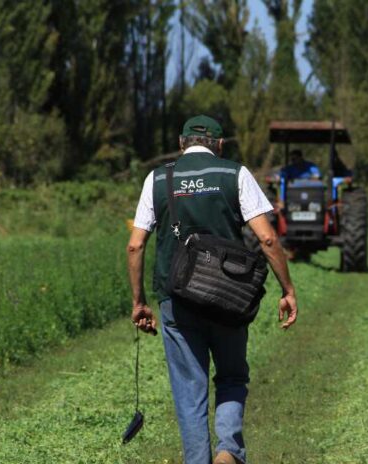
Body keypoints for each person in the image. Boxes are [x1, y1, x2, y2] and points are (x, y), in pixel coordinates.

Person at [126, 115, 299, 464]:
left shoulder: (158, 178)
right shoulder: (234, 173)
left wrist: (139, 302)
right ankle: (228, 451)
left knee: (190, 390)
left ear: (181, 143)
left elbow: (135, 245)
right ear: (219, 145)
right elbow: (266, 237)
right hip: (227, 298)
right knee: (232, 376)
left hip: (177, 300)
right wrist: (288, 289)